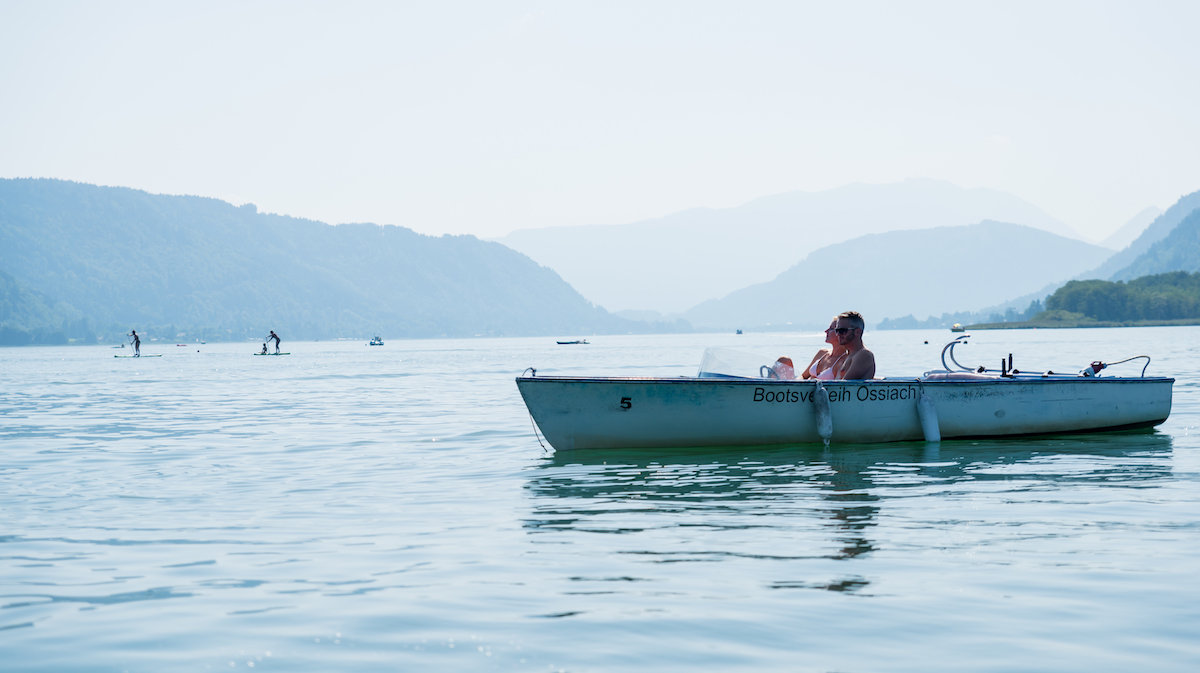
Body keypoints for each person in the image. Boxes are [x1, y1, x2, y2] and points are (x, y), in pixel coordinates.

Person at [831, 311, 875, 379]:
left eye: (842, 331)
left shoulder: (864, 355)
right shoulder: (849, 355)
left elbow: (843, 386)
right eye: (837, 330)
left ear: (857, 332)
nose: (838, 334)